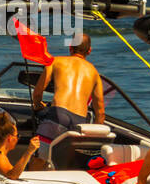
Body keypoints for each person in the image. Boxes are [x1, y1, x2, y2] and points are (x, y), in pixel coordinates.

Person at [30, 33, 104, 167]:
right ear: (89, 51)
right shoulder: (94, 73)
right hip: (80, 122)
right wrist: (95, 136)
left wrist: (37, 105)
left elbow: (37, 93)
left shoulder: (55, 61)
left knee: (38, 159)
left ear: (70, 47)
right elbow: (100, 112)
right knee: (64, 165)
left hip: (58, 115)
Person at [0, 112, 41, 180]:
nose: (18, 139)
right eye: (17, 136)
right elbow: (12, 176)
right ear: (9, 138)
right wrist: (29, 152)